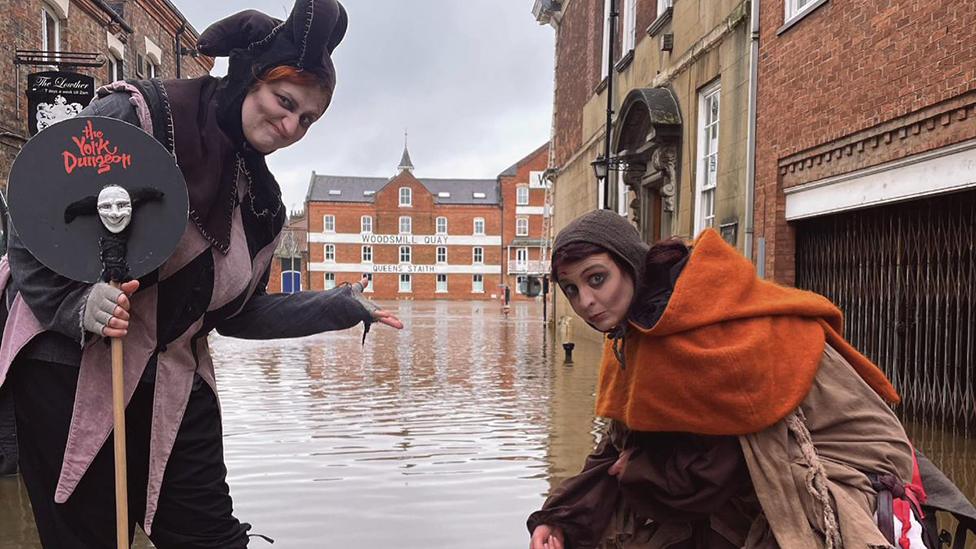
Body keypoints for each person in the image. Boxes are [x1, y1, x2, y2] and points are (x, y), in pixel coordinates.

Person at [0, 1, 402, 547]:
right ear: (249, 78)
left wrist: (337, 305)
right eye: (284, 103)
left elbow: (239, 314)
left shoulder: (261, 206)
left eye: (307, 119)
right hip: (68, 365)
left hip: (171, 378)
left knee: (209, 537)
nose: (290, 126)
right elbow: (33, 213)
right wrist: (75, 305)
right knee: (86, 536)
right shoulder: (139, 116)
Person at [527, 209, 975, 549]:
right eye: (571, 289)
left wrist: (640, 468)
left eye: (597, 279)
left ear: (629, 264)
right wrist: (559, 518)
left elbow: (734, 462)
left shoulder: (715, 330)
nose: (585, 301)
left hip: (835, 474)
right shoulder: (631, 335)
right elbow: (618, 447)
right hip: (732, 497)